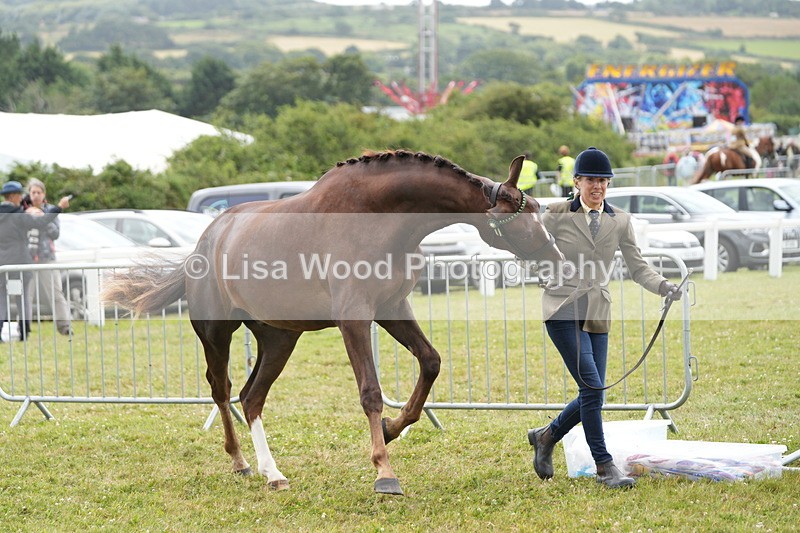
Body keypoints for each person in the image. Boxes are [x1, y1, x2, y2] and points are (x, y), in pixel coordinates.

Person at [527, 147, 682, 488]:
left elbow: (638, 266)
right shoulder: (554, 213)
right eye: (590, 180)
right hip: (562, 307)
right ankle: (604, 466)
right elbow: (530, 247)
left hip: (597, 309)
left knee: (594, 393)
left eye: (602, 180)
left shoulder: (620, 221)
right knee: (593, 386)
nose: (597, 186)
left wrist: (664, 286)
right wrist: (543, 272)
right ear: (576, 181)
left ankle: (546, 435)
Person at [0, 180, 70, 341]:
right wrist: (58, 207)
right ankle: (24, 331)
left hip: (3, 263)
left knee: (2, 297)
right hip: (21, 260)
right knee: (23, 296)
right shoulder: (19, 215)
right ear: (14, 196)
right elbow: (41, 222)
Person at [25, 178, 72, 336]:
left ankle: (64, 326)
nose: (36, 195)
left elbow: (55, 233)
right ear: (29, 194)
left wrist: (43, 217)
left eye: (39, 192)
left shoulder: (51, 211)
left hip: (47, 257)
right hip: (28, 258)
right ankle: (24, 329)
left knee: (56, 293)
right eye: (33, 192)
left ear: (44, 194)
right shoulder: (23, 211)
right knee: (25, 295)